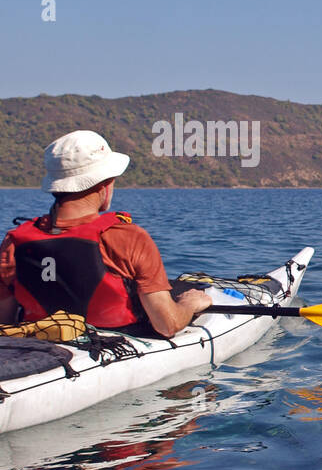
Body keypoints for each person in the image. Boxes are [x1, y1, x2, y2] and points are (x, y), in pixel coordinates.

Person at [0, 131, 211, 337]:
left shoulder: (13, 241)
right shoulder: (127, 237)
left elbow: (4, 323)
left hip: (37, 348)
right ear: (105, 184)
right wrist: (189, 304)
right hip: (112, 343)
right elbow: (167, 325)